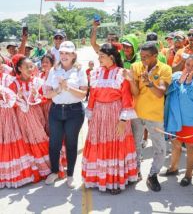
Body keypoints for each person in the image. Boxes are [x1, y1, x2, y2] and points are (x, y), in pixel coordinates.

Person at [82, 43, 138, 195]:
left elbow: (127, 96)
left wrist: (123, 120)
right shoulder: (95, 73)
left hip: (116, 112)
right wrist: (91, 114)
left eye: (102, 56)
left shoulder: (121, 73)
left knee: (115, 146)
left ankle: (114, 181)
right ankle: (98, 178)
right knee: (99, 145)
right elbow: (92, 95)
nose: (99, 58)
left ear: (111, 57)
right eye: (98, 55)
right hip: (99, 114)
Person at [124, 41, 172, 192]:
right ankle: (135, 171)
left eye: (146, 56)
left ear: (155, 56)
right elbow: (135, 93)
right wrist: (132, 80)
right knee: (135, 145)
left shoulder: (165, 69)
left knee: (160, 148)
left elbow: (160, 93)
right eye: (141, 56)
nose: (143, 59)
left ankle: (153, 175)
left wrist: (150, 83)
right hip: (137, 114)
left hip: (155, 115)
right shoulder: (135, 67)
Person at [163, 54, 193, 186]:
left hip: (192, 121)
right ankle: (174, 167)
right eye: (188, 64)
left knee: (190, 146)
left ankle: (188, 174)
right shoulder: (177, 75)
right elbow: (167, 92)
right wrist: (179, 82)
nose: (190, 68)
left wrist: (189, 84)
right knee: (175, 144)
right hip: (174, 118)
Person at [45, 41, 87, 188]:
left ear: (73, 55)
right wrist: (59, 90)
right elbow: (47, 93)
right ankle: (55, 172)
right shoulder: (53, 70)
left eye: (67, 53)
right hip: (56, 110)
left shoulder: (80, 70)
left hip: (74, 112)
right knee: (54, 143)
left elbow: (83, 94)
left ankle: (70, 175)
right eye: (62, 53)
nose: (64, 56)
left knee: (71, 143)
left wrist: (67, 87)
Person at [10, 54, 51, 182]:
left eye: (31, 66)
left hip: (37, 117)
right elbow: (11, 102)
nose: (30, 69)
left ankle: (47, 168)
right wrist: (19, 99)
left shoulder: (38, 81)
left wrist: (37, 95)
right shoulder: (14, 83)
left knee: (41, 138)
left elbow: (46, 99)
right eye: (27, 67)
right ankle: (34, 170)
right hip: (22, 118)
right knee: (26, 141)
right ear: (19, 68)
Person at [0, 55, 36, 188]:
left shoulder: (8, 78)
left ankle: (13, 174)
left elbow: (13, 97)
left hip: (8, 116)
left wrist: (17, 98)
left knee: (10, 142)